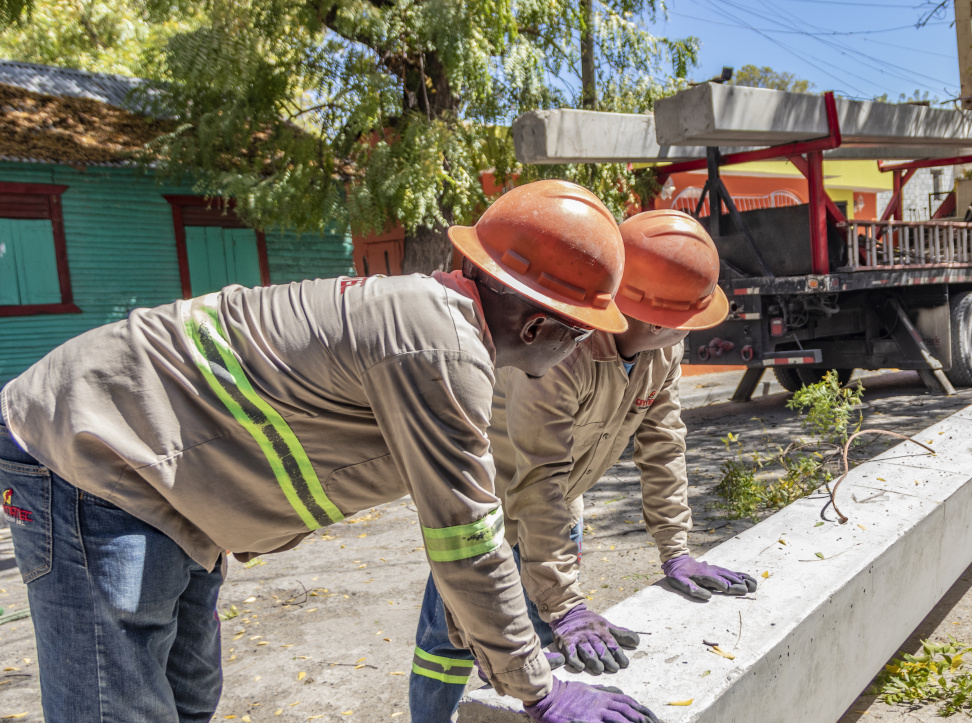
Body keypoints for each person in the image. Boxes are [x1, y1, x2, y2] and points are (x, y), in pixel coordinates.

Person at [0, 180, 661, 723]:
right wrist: (541, 690)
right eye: (578, 337)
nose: (580, 352)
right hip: (92, 449)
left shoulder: (440, 325)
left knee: (188, 694)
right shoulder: (439, 348)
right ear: (540, 325)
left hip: (166, 478)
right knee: (119, 708)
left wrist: (499, 647)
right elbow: (468, 540)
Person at [410, 209, 757, 719]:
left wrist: (676, 551)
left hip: (557, 513)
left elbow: (663, 445)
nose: (687, 333)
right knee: (451, 644)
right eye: (681, 321)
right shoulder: (559, 351)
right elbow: (537, 478)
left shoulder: (662, 353)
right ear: (647, 316)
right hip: (486, 517)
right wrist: (564, 603)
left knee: (555, 643)